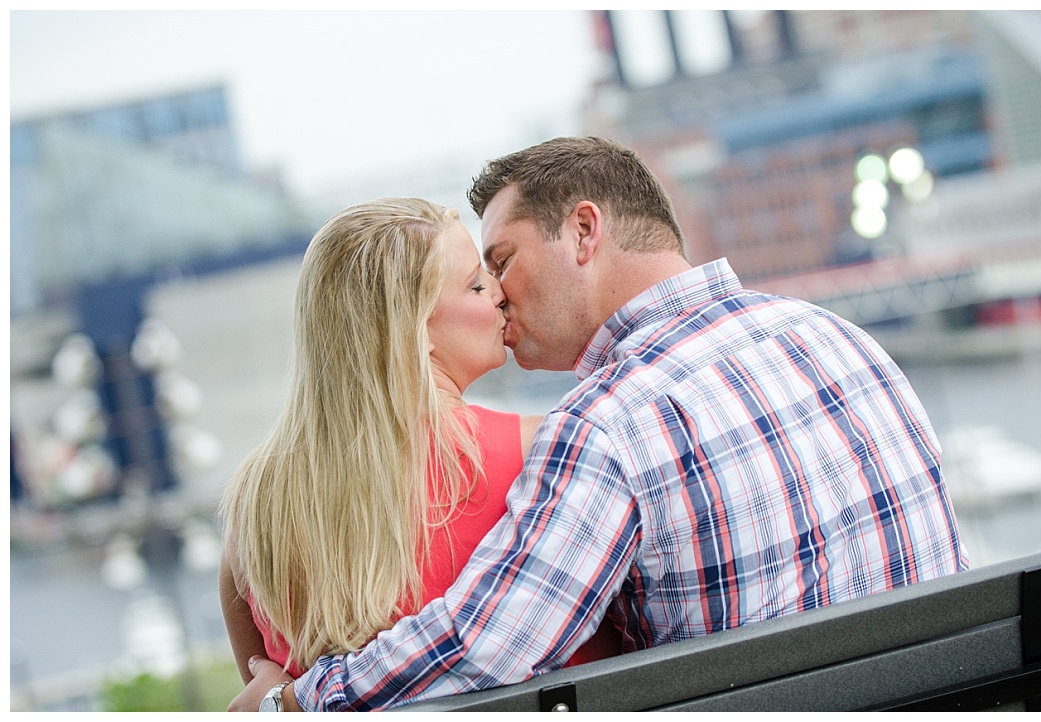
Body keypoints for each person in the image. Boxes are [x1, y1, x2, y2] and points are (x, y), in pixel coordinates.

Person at [235, 137, 969, 712]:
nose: (498, 293)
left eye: (502, 260)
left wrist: (297, 698)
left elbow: (491, 645)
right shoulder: (834, 336)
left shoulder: (609, 425)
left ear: (585, 231)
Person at [217, 197, 620, 704]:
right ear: (416, 330)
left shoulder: (258, 505)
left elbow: (261, 691)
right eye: (476, 284)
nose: (499, 294)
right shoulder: (548, 454)